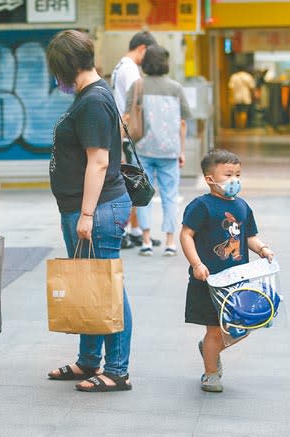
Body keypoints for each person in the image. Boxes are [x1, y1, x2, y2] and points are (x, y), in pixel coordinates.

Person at [45, 30, 133, 392]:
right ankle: (88, 361)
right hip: (88, 207)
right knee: (89, 285)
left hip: (96, 209)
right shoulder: (92, 95)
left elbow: (98, 161)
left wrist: (85, 214)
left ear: (65, 66)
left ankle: (116, 370)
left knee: (108, 288)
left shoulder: (93, 100)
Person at [180, 149, 275, 393]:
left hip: (237, 280)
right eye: (228, 174)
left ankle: (210, 348)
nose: (235, 180)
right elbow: (186, 235)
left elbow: (249, 235)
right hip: (209, 281)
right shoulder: (201, 206)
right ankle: (211, 374)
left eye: (238, 174)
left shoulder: (242, 206)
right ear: (211, 179)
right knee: (214, 329)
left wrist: (262, 249)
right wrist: (197, 263)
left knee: (243, 327)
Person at [125, 45, 191, 257]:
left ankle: (146, 241)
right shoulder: (176, 88)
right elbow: (182, 122)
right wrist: (181, 150)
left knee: (143, 194)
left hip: (142, 149)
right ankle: (170, 242)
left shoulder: (137, 86)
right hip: (170, 151)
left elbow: (127, 117)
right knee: (170, 195)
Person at [111, 30, 158, 249]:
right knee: (132, 183)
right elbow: (135, 104)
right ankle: (125, 232)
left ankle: (135, 231)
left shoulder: (121, 65)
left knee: (132, 182)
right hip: (129, 133)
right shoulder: (130, 69)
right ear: (142, 48)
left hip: (123, 131)